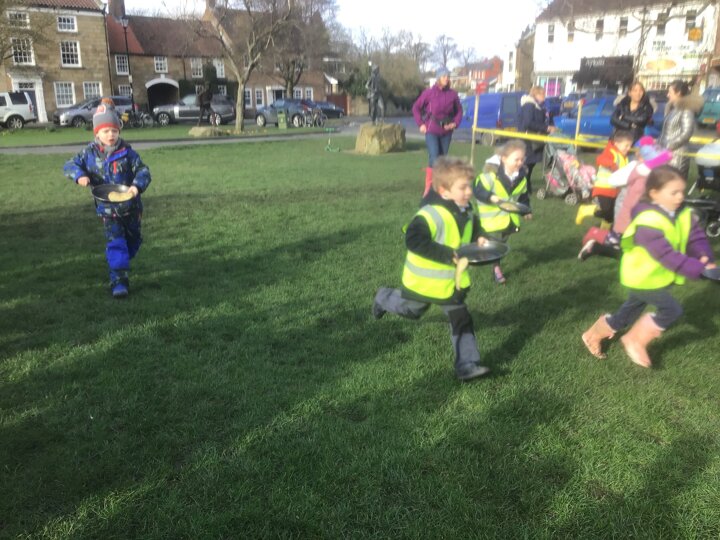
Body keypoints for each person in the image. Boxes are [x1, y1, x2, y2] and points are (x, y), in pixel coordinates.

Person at [581, 165, 715, 367]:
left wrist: (704, 255)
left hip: (656, 276)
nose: (680, 197)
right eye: (674, 192)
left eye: (682, 191)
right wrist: (696, 268)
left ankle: (593, 334)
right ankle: (635, 340)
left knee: (629, 311)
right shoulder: (647, 221)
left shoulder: (682, 213)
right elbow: (666, 255)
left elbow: (695, 237)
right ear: (654, 193)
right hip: (640, 276)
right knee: (671, 310)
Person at [372, 156, 490, 381]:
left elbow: (474, 228)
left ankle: (467, 365)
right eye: (463, 187)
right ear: (444, 191)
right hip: (423, 283)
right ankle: (383, 297)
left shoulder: (467, 210)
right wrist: (448, 254)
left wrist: (481, 236)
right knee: (411, 311)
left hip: (450, 285)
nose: (469, 192)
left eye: (470, 186)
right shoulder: (429, 214)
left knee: (461, 318)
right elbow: (414, 240)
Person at [63, 103, 152, 298]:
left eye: (114, 130)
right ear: (97, 133)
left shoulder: (128, 153)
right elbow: (69, 165)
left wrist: (136, 186)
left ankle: (122, 258)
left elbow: (144, 171)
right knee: (116, 244)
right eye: (105, 131)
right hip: (108, 211)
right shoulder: (89, 153)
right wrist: (79, 176)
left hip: (131, 208)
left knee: (133, 241)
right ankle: (119, 282)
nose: (110, 135)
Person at [579, 137, 673, 261]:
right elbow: (613, 180)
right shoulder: (637, 168)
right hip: (629, 216)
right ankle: (596, 240)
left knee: (632, 251)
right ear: (641, 158)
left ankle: (595, 246)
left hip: (646, 218)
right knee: (631, 251)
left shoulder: (660, 173)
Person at [473, 139, 531, 284]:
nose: (520, 162)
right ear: (504, 159)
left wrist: (526, 211)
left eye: (522, 159)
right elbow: (477, 190)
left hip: (508, 221)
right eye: (516, 159)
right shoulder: (489, 177)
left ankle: (483, 247)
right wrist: (490, 197)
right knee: (497, 244)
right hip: (491, 220)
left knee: (501, 243)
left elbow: (523, 197)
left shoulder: (522, 179)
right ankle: (496, 268)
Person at [412, 67, 463, 197]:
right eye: (444, 76)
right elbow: (416, 108)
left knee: (442, 159)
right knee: (434, 156)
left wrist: (454, 123)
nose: (447, 78)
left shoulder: (453, 94)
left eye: (448, 76)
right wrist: (420, 124)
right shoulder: (429, 93)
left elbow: (459, 111)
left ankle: (438, 186)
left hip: (446, 132)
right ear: (438, 78)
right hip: (431, 129)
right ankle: (430, 187)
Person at [575, 130, 633, 226]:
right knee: (606, 212)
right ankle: (585, 210)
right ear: (616, 143)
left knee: (612, 214)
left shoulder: (624, 157)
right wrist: (612, 165)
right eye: (626, 145)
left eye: (630, 146)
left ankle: (604, 231)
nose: (629, 148)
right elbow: (600, 159)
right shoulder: (610, 151)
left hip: (615, 189)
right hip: (604, 188)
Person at [658, 79, 703, 179]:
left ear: (678, 93)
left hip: (677, 156)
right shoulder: (673, 109)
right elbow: (668, 132)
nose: (667, 95)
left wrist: (669, 146)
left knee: (675, 181)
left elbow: (687, 132)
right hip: (667, 154)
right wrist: (658, 141)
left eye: (670, 92)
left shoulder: (686, 110)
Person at [518, 86, 556, 193]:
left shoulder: (538, 106)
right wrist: (546, 128)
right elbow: (528, 123)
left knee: (530, 164)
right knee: (526, 163)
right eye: (543, 94)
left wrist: (548, 126)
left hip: (534, 139)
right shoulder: (529, 105)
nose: (545, 96)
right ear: (536, 94)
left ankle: (526, 184)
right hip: (527, 140)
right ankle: (523, 185)